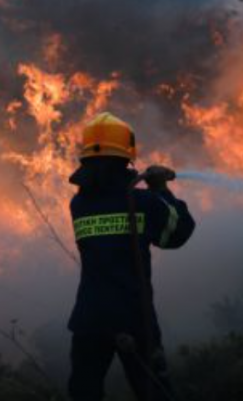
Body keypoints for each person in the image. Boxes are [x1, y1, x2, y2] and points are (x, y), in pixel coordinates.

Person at [67, 112, 196, 401]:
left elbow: (104, 194)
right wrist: (161, 189)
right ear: (126, 158)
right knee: (154, 392)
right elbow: (178, 233)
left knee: (84, 394)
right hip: (134, 317)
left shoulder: (78, 204)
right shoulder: (141, 202)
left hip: (90, 317)